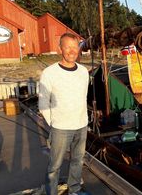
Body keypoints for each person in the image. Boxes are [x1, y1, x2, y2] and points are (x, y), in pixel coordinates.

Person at [39, 33, 89, 195]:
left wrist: (84, 119)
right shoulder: (49, 73)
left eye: (75, 47)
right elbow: (43, 103)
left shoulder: (83, 72)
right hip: (61, 128)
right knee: (54, 166)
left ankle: (74, 189)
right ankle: (51, 192)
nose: (72, 51)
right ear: (60, 49)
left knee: (77, 161)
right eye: (67, 47)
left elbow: (83, 97)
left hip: (81, 125)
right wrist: (54, 123)